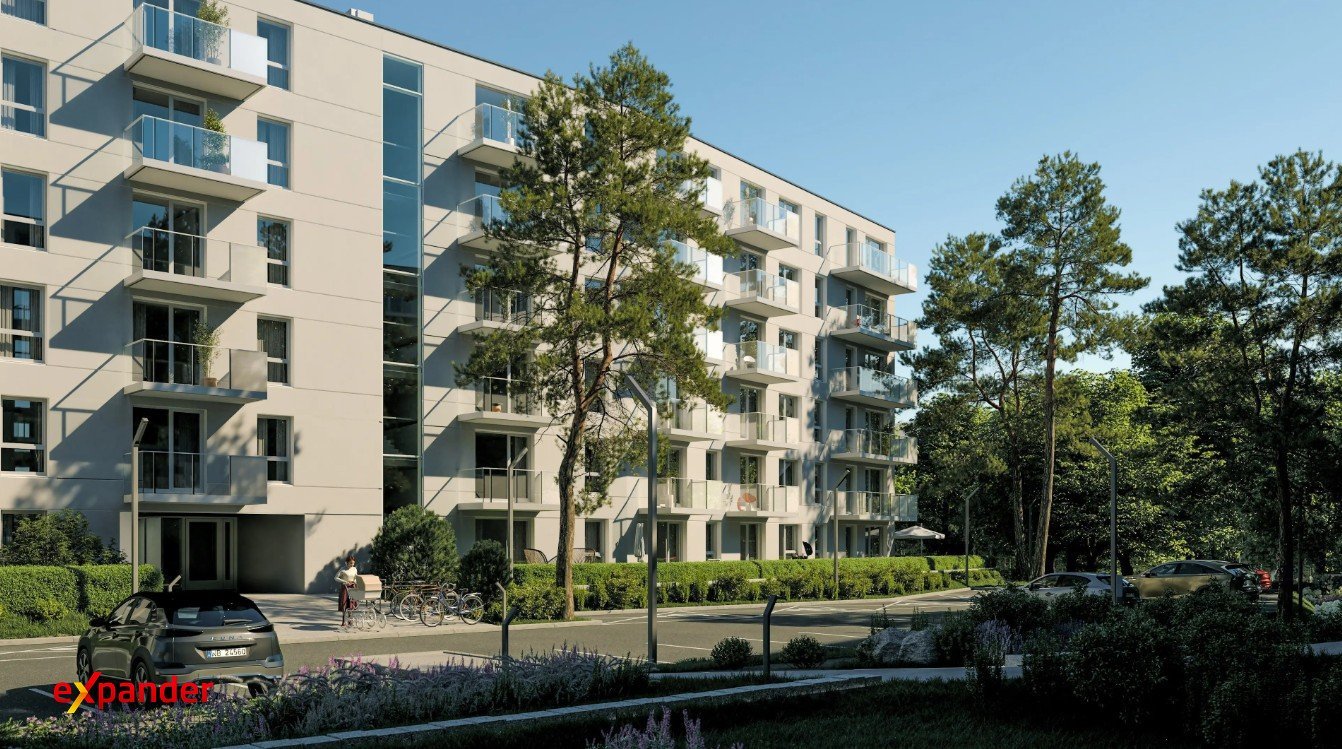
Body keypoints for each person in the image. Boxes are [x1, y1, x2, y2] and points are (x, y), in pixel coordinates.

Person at [336, 555, 358, 627]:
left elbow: (356, 577)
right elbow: (336, 578)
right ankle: (343, 621)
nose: (352, 564)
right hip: (345, 587)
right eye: (351, 563)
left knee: (351, 603)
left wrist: (355, 581)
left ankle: (350, 620)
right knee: (344, 603)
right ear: (347, 562)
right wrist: (344, 581)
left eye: (353, 563)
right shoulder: (343, 569)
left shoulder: (354, 569)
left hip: (352, 587)